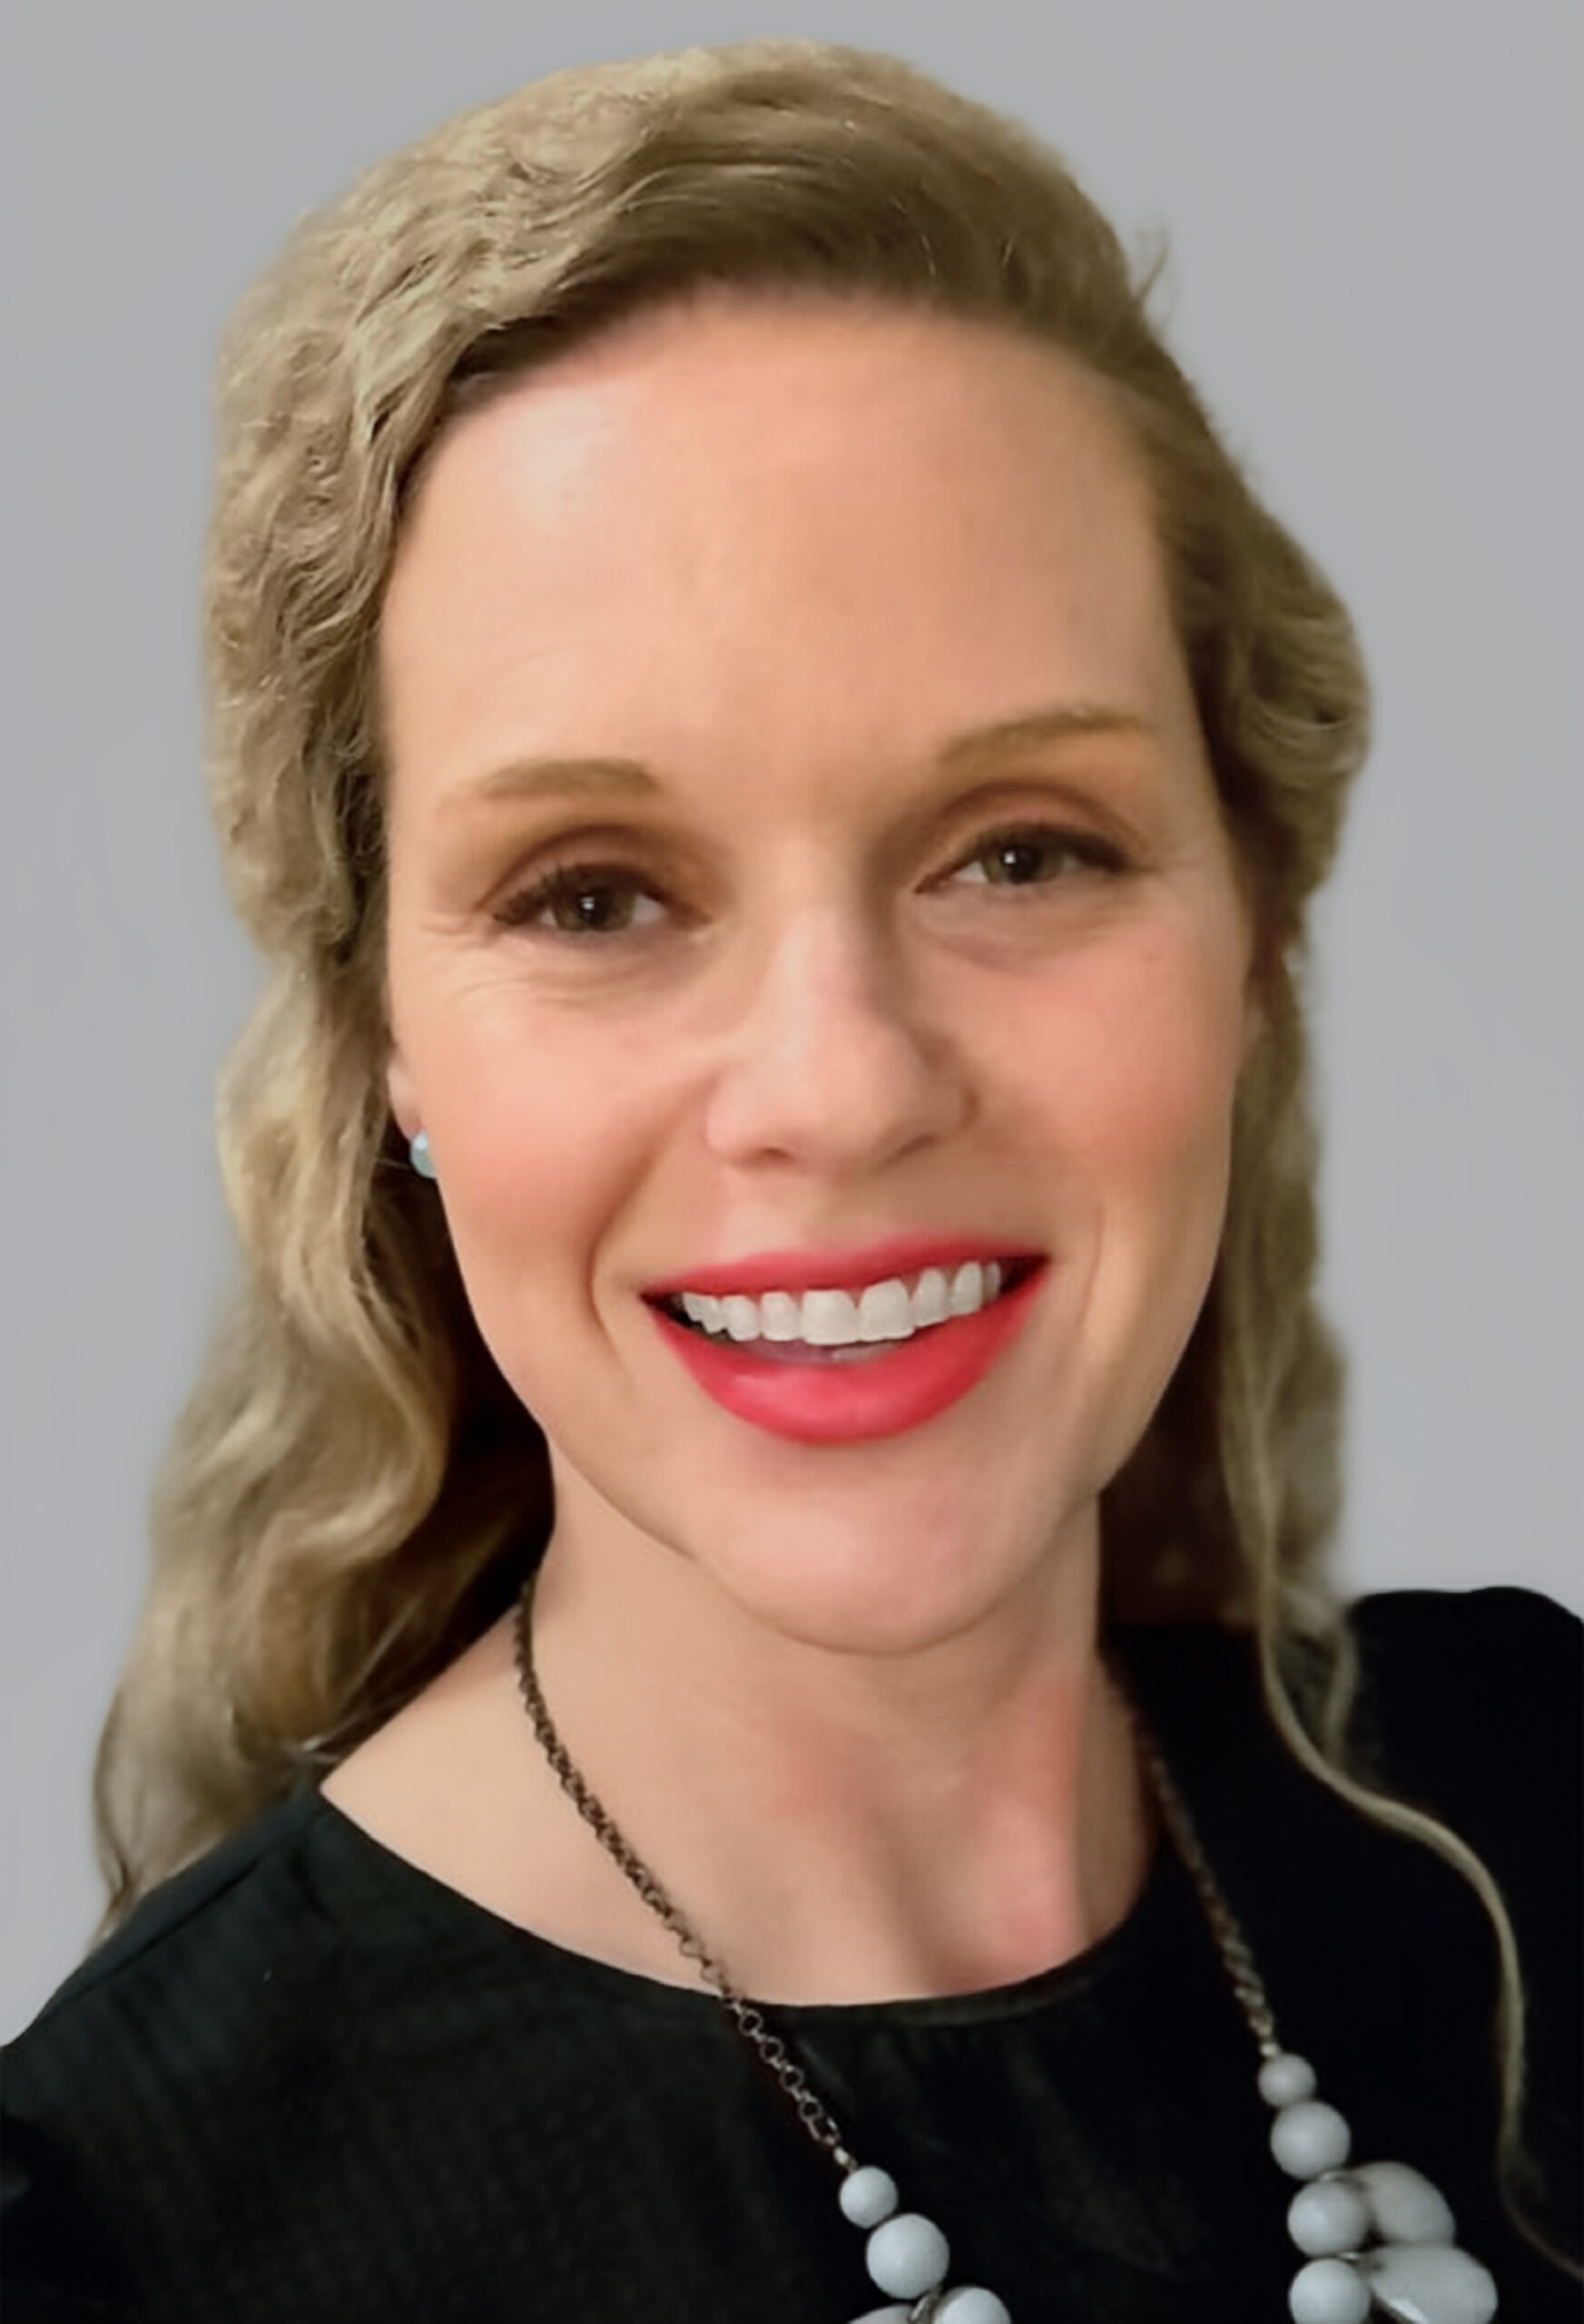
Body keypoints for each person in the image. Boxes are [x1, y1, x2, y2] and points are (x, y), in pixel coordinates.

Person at [1, 38, 1577, 2324]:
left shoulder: (1532, 1803)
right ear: (383, 1039)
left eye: (1021, 849)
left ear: (1252, 932)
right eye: (594, 892)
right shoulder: (117, 2243)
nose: (839, 1090)